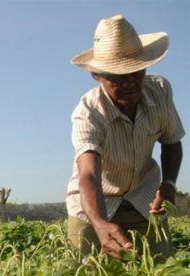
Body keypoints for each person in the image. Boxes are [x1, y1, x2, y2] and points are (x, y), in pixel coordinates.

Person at [66, 15, 185, 259]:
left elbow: (172, 141)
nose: (130, 83)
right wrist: (99, 223)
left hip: (144, 199)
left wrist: (169, 184)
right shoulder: (88, 113)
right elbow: (88, 174)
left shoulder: (160, 91)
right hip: (96, 206)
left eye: (136, 71)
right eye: (118, 77)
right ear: (96, 75)